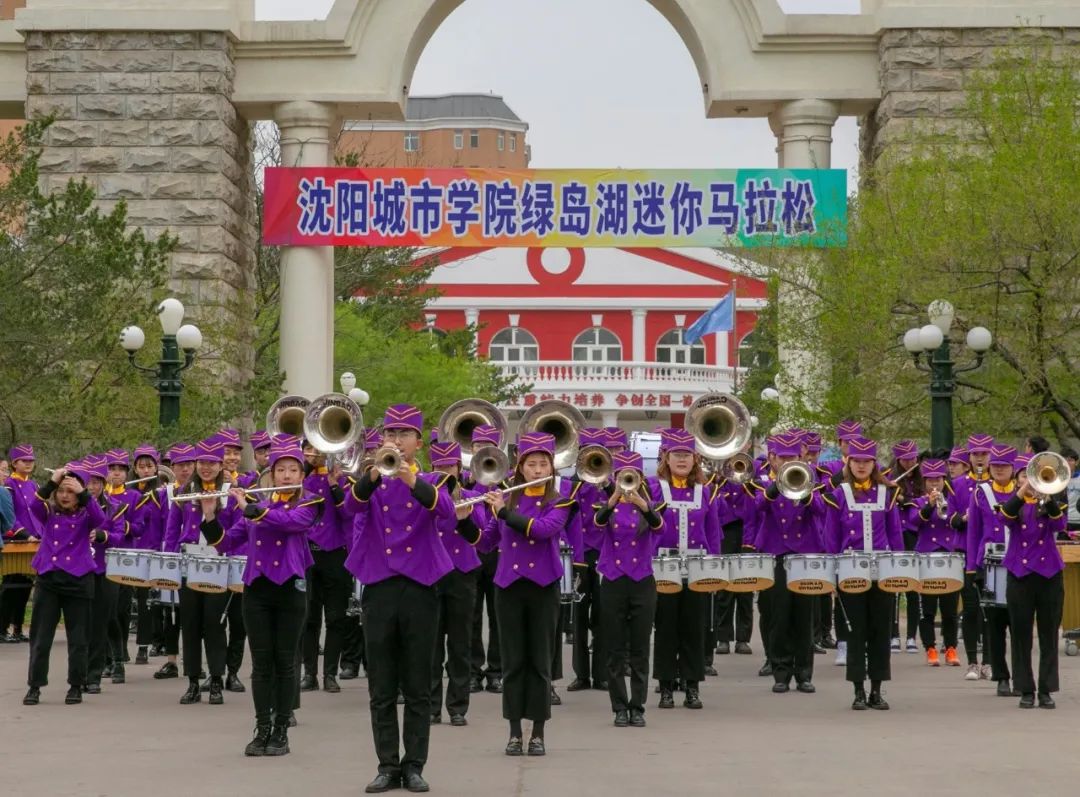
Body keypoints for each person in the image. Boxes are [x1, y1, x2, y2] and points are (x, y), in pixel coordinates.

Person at [341, 403, 454, 795]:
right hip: (380, 584)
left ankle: (415, 765)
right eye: (391, 433)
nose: (396, 440)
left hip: (420, 585)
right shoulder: (371, 478)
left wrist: (411, 480)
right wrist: (373, 473)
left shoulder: (432, 478)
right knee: (383, 683)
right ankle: (387, 765)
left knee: (418, 682)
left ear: (418, 442)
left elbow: (448, 515)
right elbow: (350, 506)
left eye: (404, 434)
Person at [204, 436, 323, 755]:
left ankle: (281, 730)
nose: (286, 475)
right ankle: (262, 727)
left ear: (301, 475)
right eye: (280, 469)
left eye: (292, 470)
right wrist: (209, 516)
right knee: (261, 662)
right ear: (270, 474)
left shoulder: (309, 502)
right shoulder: (260, 504)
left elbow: (290, 524)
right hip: (256, 589)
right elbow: (226, 544)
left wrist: (250, 507)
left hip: (290, 589)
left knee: (285, 662)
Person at [479, 431, 573, 758]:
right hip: (508, 587)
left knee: (540, 661)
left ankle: (539, 733)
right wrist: (463, 520)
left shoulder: (559, 500)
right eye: (530, 464)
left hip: (543, 587)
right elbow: (485, 541)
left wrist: (504, 513)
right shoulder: (507, 496)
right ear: (519, 467)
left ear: (551, 466)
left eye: (542, 463)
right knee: (513, 661)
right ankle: (515, 732)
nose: (536, 469)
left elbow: (544, 530)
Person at [822, 436, 904, 710]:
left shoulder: (886, 493)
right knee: (855, 631)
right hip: (850, 571)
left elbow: (896, 536)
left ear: (873, 464)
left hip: (881, 571)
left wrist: (900, 569)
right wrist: (832, 574)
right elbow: (831, 538)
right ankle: (858, 690)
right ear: (848, 462)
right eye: (856, 460)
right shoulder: (838, 494)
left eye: (866, 461)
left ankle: (877, 690)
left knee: (880, 632)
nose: (861, 465)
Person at [649, 428, 725, 710]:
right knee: (666, 627)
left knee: (694, 628)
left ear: (695, 459)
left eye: (687, 455)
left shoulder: (705, 492)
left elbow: (713, 533)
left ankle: (692, 687)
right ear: (666, 458)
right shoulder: (653, 488)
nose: (682, 460)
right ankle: (666, 686)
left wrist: (714, 568)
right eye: (676, 455)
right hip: (664, 567)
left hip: (696, 567)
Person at [747, 432, 826, 694]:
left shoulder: (811, 479)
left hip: (803, 554)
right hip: (776, 553)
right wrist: (774, 487)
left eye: (792, 457)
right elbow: (756, 507)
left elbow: (821, 511)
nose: (787, 461)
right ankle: (781, 672)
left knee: (804, 616)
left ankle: (804, 674)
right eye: (782, 457)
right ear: (773, 458)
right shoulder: (763, 483)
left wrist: (804, 493)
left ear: (800, 458)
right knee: (779, 615)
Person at [23, 464, 107, 706]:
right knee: (40, 638)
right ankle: (35, 686)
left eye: (70, 492)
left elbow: (101, 518)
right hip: (49, 579)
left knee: (79, 638)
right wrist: (52, 482)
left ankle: (76, 685)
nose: (64, 496)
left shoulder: (86, 515)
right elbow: (33, 505)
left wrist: (83, 492)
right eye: (61, 491)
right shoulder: (48, 512)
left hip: (78, 580)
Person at [164, 438, 239, 706]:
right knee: (191, 625)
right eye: (202, 462)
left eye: (211, 463)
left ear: (221, 465)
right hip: (188, 564)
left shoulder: (230, 493)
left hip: (218, 565)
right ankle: (193, 681)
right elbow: (172, 533)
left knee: (215, 624)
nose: (206, 467)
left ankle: (217, 680)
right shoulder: (185, 493)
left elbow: (237, 534)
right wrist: (170, 565)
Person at [593, 450, 665, 727]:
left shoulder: (651, 505)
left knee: (639, 647)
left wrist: (643, 504)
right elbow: (598, 524)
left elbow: (659, 527)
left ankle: (638, 706)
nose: (627, 481)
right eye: (622, 475)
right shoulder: (606, 504)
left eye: (631, 475)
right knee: (614, 648)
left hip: (642, 580)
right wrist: (612, 499)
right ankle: (619, 707)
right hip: (613, 579)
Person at [998, 456, 1066, 709]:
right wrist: (1022, 492)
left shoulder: (1051, 503)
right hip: (1020, 574)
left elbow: (1059, 524)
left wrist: (1047, 497)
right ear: (1018, 481)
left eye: (1033, 476)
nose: (1031, 481)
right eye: (1025, 476)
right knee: (1021, 634)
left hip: (1049, 575)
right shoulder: (1014, 505)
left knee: (1049, 634)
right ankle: (1026, 688)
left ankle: (1047, 689)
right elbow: (1004, 518)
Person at [426, 440, 480, 726]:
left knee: (460, 643)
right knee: (431, 644)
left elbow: (480, 537)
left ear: (459, 468)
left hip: (462, 573)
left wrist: (463, 520)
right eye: (440, 466)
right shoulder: (424, 498)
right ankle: (432, 705)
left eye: (450, 466)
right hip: (433, 573)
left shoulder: (472, 496)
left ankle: (457, 706)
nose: (446, 471)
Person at [965, 444, 1020, 698]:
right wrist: (971, 567)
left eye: (1004, 466)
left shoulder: (1023, 491)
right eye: (995, 465)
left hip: (1019, 563)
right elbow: (973, 531)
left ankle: (1022, 676)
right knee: (994, 624)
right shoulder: (980, 492)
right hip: (988, 565)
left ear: (1012, 469)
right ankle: (1001, 676)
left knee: (1019, 623)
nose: (999, 470)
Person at [299, 439, 351, 695]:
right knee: (309, 617)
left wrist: (333, 483)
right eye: (311, 448)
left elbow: (349, 514)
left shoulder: (342, 480)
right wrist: (307, 467)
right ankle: (309, 673)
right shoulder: (301, 480)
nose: (316, 452)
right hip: (308, 554)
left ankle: (330, 672)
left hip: (335, 555)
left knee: (336, 618)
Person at [567, 427, 610, 693]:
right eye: (587, 453)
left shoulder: (613, 485)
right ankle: (582, 674)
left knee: (604, 617)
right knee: (579, 618)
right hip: (579, 556)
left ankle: (602, 674)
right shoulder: (571, 485)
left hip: (605, 555)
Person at [908, 458, 961, 667]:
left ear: (943, 479)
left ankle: (951, 648)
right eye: (929, 480)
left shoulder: (953, 500)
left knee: (949, 609)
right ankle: (930, 648)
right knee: (927, 608)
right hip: (926, 556)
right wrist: (930, 506)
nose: (934, 484)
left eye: (937, 479)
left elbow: (955, 521)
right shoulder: (918, 502)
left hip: (948, 556)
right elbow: (913, 522)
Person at [152, 443, 196, 681]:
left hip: (196, 555)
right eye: (180, 465)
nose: (185, 470)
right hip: (172, 554)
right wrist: (165, 557)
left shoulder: (201, 490)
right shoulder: (165, 494)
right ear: (173, 467)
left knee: (192, 613)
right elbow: (161, 529)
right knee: (169, 612)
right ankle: (171, 661)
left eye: (189, 465)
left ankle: (194, 662)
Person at [949, 436, 992, 681]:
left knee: (990, 610)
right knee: (972, 608)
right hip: (966, 552)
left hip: (990, 554)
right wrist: (964, 518)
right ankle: (973, 663)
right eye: (975, 454)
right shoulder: (958, 484)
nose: (979, 458)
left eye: (984, 454)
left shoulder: (997, 483)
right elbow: (950, 520)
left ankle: (988, 661)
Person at [467, 423, 505, 695]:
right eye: (478, 447)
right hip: (470, 551)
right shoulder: (461, 480)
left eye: (488, 448)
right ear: (471, 450)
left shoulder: (509, 482)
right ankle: (471, 670)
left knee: (497, 614)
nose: (483, 452)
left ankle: (496, 671)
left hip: (498, 552)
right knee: (470, 614)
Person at [213, 429, 249, 693]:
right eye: (227, 452)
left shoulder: (249, 482)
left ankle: (233, 672)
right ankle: (215, 670)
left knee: (238, 621)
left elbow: (246, 522)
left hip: (238, 559)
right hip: (214, 560)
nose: (232, 457)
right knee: (213, 620)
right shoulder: (206, 487)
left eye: (236, 452)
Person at [2, 444, 41, 643]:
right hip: (17, 539)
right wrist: (26, 535)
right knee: (11, 585)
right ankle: (2, 628)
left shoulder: (34, 485)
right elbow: (10, 516)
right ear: (14, 463)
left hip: (35, 539)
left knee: (25, 586)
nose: (28, 464)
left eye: (30, 461)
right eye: (24, 461)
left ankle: (18, 628)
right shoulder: (9, 484)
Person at [887, 440, 922, 654]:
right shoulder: (889, 476)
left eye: (913, 458)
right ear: (899, 460)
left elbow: (921, 502)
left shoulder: (922, 479)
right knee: (893, 587)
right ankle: (893, 634)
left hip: (912, 534)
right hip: (894, 534)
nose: (910, 462)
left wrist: (903, 497)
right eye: (906, 459)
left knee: (911, 587)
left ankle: (911, 636)